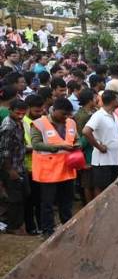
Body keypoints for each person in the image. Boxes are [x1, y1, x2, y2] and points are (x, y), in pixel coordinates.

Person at [31, 98, 78, 237]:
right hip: (48, 171)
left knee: (67, 202)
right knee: (48, 204)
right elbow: (36, 144)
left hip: (67, 169)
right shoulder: (39, 124)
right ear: (54, 110)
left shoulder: (71, 122)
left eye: (68, 114)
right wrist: (58, 147)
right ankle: (47, 231)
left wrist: (78, 144)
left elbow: (76, 138)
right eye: (64, 114)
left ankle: (68, 227)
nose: (66, 117)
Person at [83, 90, 118, 197]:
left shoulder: (115, 115)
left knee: (112, 187)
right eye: (117, 98)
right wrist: (99, 147)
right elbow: (86, 131)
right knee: (101, 188)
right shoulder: (99, 115)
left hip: (114, 159)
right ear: (112, 100)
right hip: (103, 160)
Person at [0, 99, 28, 234]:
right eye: (18, 113)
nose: (21, 116)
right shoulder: (8, 127)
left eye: (23, 113)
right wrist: (10, 170)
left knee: (22, 195)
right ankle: (13, 227)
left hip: (20, 165)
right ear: (10, 110)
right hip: (11, 168)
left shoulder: (18, 122)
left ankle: (18, 224)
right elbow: (5, 151)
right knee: (14, 198)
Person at [22, 94, 44, 234]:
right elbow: (21, 147)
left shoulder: (40, 121)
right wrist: (39, 147)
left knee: (40, 199)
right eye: (37, 111)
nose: (40, 114)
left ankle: (41, 226)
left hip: (40, 166)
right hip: (27, 166)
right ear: (28, 109)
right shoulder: (22, 122)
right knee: (29, 200)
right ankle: (31, 227)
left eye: (41, 110)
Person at [73, 89, 97, 203]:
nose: (96, 99)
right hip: (86, 151)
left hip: (91, 149)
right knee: (88, 183)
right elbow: (81, 136)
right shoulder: (82, 116)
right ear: (89, 100)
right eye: (94, 97)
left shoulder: (91, 112)